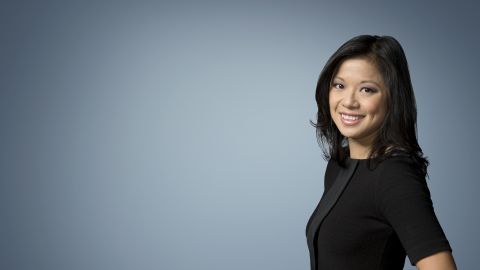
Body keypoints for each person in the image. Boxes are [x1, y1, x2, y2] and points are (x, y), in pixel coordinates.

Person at [305, 35, 457, 270]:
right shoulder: (340, 164)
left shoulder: (394, 176)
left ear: (392, 98)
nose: (349, 101)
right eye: (339, 85)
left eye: (367, 89)